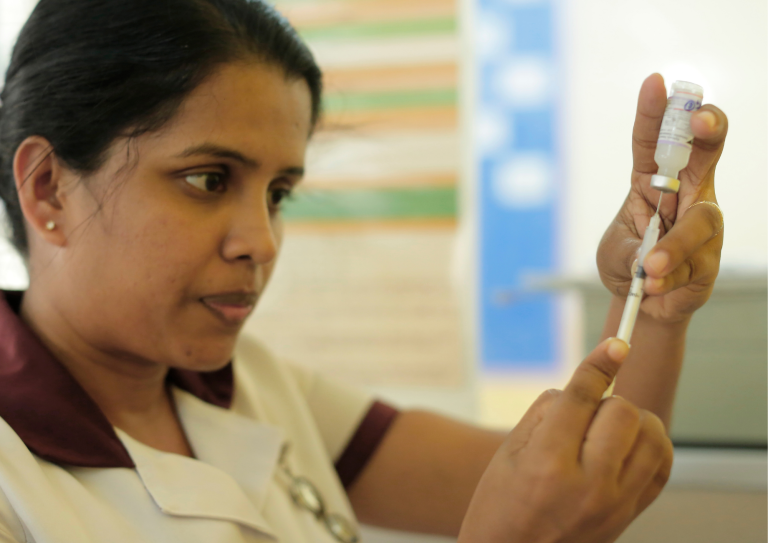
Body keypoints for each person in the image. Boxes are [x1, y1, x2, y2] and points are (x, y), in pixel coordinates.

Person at [0, 0, 728, 541]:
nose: (261, 240)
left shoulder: (252, 388)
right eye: (208, 179)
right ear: (47, 188)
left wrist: (653, 304)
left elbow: (589, 474)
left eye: (278, 193)